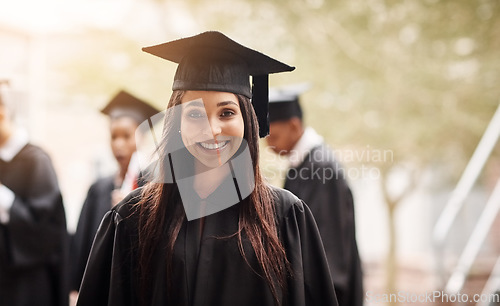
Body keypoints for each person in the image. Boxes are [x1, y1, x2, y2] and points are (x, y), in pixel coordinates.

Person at [76, 31, 338, 306]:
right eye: (195, 114)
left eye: (226, 113)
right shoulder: (132, 218)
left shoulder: (285, 216)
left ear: (248, 120)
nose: (212, 130)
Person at [266, 84, 364, 306]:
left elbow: (330, 248)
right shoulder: (303, 164)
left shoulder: (321, 169)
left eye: (274, 136)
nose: (269, 145)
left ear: (294, 125)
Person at [70, 90, 160, 296]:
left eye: (127, 136)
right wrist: (76, 289)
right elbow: (83, 242)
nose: (119, 144)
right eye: (114, 137)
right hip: (99, 286)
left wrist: (131, 207)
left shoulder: (153, 187)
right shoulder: (98, 188)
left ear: (142, 137)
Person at [0, 80, 68, 306]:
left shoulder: (36, 161)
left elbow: (46, 229)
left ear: (3, 113)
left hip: (27, 284)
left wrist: (5, 201)